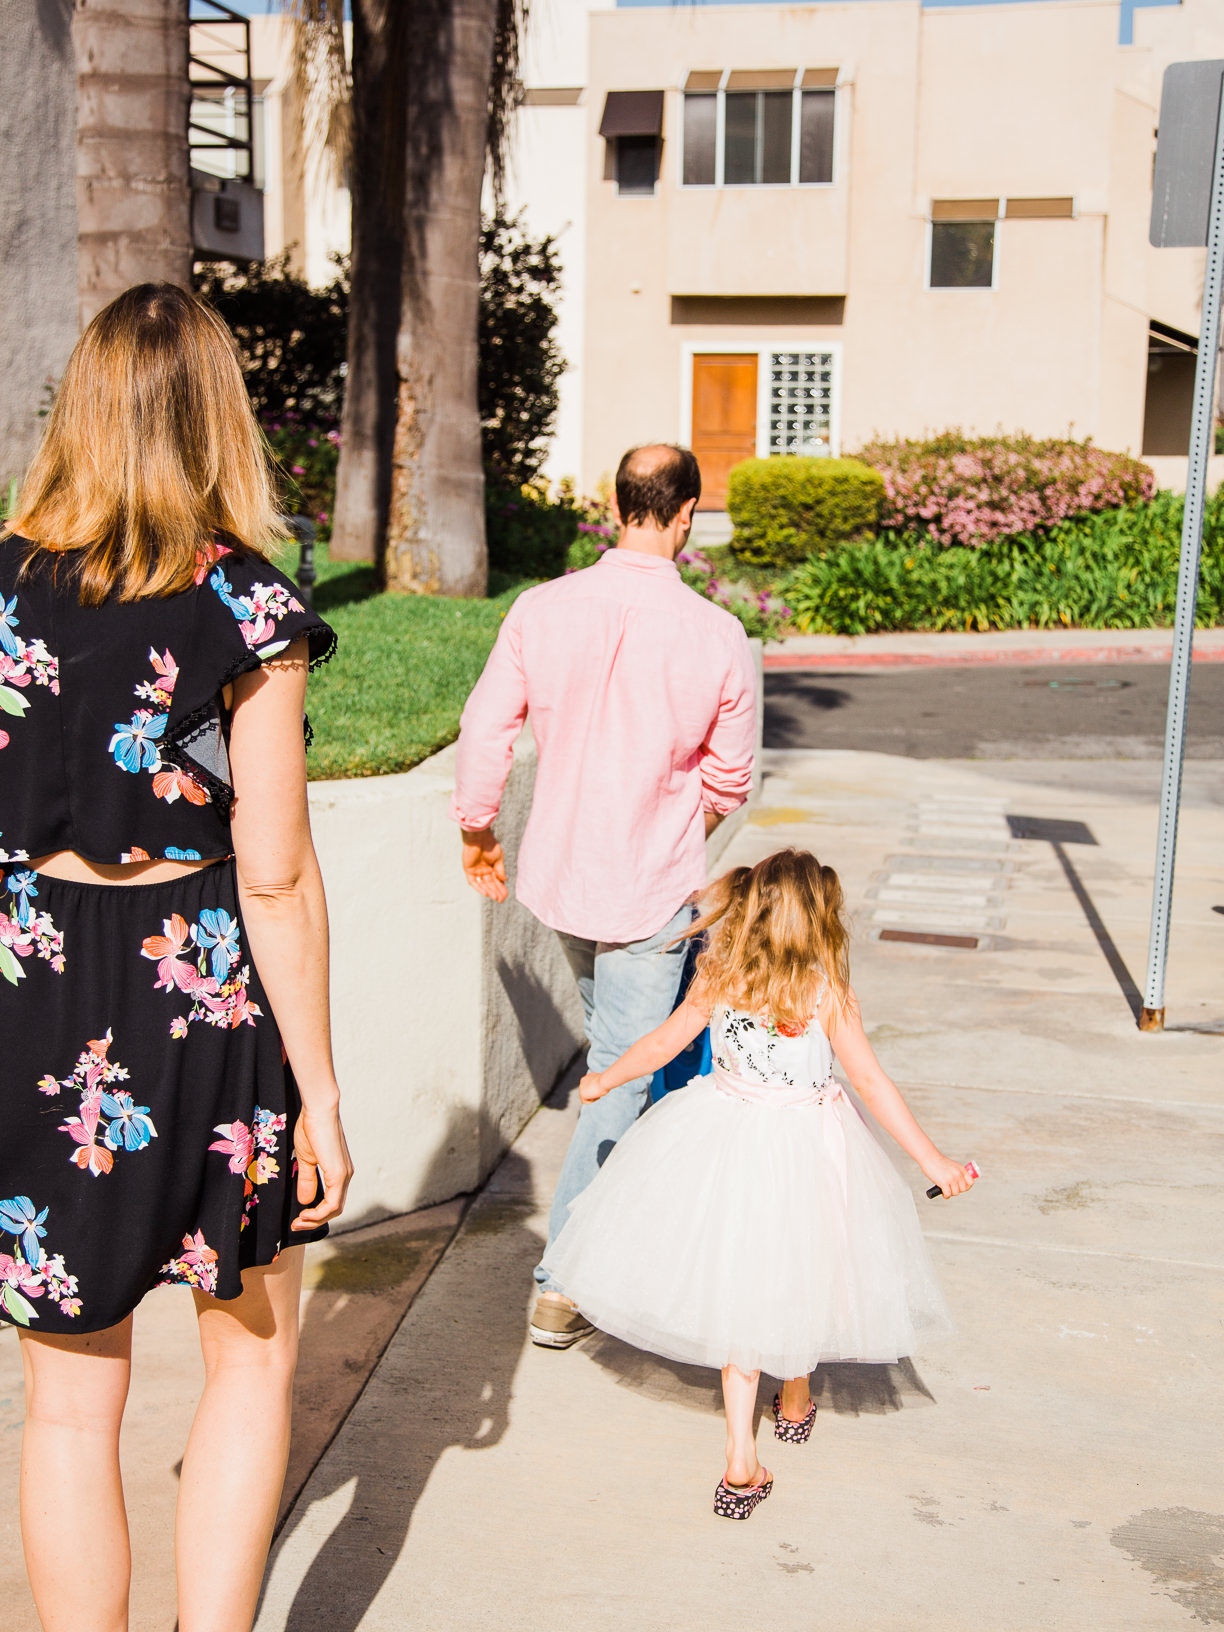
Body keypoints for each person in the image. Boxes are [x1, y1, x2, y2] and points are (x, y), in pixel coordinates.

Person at [0, 283, 353, 1630]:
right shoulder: (245, 603)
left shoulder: (0, 584)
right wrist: (319, 1093)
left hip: (31, 985)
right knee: (250, 1372)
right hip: (194, 983)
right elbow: (274, 868)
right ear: (221, 416)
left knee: (68, 1412)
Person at [540, 849, 976, 1519]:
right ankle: (796, 1400)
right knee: (805, 1267)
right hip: (810, 1146)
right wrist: (933, 1161)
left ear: (751, 912)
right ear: (821, 919)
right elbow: (872, 1084)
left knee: (740, 1285)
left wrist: (607, 1078)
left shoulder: (719, 973)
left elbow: (661, 1043)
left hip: (723, 1136)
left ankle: (740, 1457)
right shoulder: (827, 992)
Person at [450, 444, 757, 1349]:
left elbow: (486, 726)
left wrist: (477, 827)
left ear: (616, 505)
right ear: (688, 513)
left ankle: (624, 1221)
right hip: (651, 890)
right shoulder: (716, 634)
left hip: (558, 880)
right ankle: (563, 1281)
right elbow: (729, 783)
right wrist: (671, 831)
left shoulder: (540, 610)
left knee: (615, 1057)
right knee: (621, 1073)